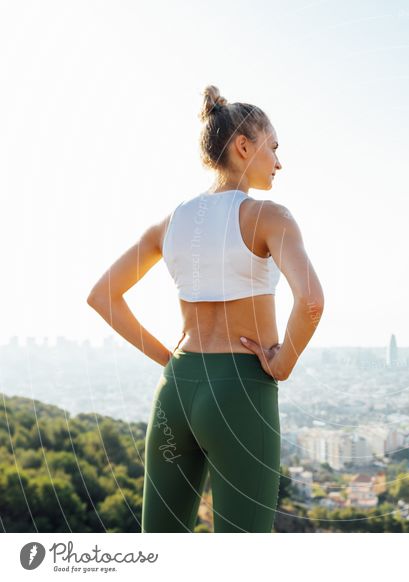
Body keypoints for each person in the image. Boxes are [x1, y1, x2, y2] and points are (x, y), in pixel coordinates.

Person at [86, 85, 324, 532]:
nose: (279, 161)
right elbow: (311, 301)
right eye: (273, 148)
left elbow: (102, 296)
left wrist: (168, 360)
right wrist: (282, 363)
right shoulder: (270, 217)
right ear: (243, 146)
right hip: (240, 391)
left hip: (176, 389)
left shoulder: (170, 223)